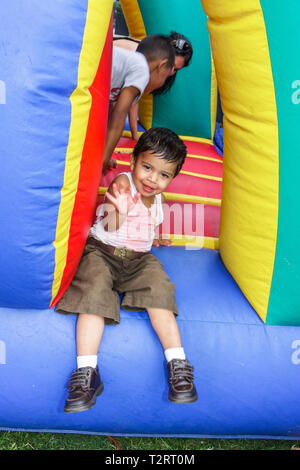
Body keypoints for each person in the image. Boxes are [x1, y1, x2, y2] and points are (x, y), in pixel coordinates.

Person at [56, 127, 198, 413]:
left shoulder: (159, 199)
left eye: (163, 175)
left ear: (172, 178)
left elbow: (148, 223)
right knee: (93, 291)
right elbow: (109, 226)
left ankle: (178, 363)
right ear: (133, 161)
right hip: (103, 252)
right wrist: (118, 210)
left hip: (138, 260)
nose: (152, 179)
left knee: (159, 289)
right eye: (147, 167)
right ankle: (87, 373)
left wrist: (156, 237)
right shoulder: (122, 185)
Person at [103, 34, 175, 174]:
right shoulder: (142, 69)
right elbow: (118, 117)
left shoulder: (131, 68)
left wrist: (105, 153)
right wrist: (103, 161)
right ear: (162, 65)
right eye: (165, 77)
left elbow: (110, 116)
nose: (161, 84)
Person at [113, 31, 193, 140]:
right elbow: (119, 109)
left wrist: (135, 136)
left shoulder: (148, 57)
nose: (171, 72)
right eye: (172, 66)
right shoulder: (142, 58)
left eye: (176, 70)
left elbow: (134, 100)